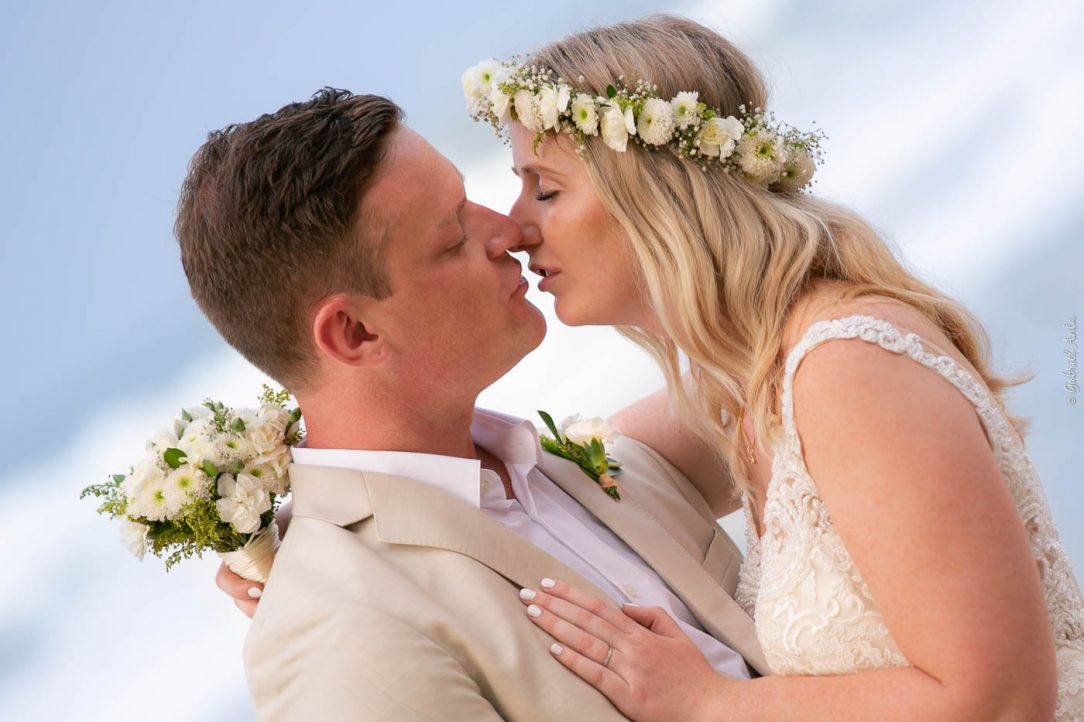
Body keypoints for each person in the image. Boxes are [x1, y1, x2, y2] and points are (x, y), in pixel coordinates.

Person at [461, 14, 1080, 721]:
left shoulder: (845, 368)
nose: (515, 227)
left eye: (545, 188)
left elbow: (1000, 700)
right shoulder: (744, 383)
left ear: (655, 191)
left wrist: (706, 703)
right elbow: (545, 470)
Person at [180, 87, 768, 721]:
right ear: (355, 333)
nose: (509, 232)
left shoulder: (575, 467)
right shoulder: (337, 632)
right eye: (453, 233)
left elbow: (782, 381)